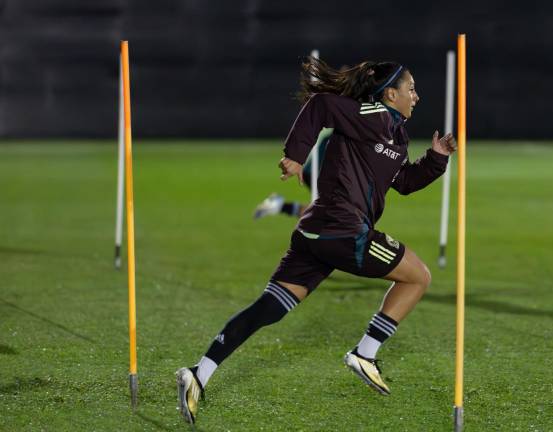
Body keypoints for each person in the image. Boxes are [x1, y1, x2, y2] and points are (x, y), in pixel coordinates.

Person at [175, 57, 457, 424]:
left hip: (317, 231)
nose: (417, 96)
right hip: (343, 229)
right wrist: (295, 156)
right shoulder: (370, 113)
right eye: (411, 89)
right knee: (418, 276)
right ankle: (365, 353)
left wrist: (436, 160)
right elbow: (321, 105)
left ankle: (198, 374)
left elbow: (401, 182)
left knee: (269, 308)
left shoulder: (396, 134)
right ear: (390, 93)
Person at [252, 129, 332, 219]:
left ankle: (279, 206)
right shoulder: (341, 128)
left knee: (327, 211)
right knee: (330, 212)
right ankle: (280, 206)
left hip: (314, 171)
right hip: (317, 172)